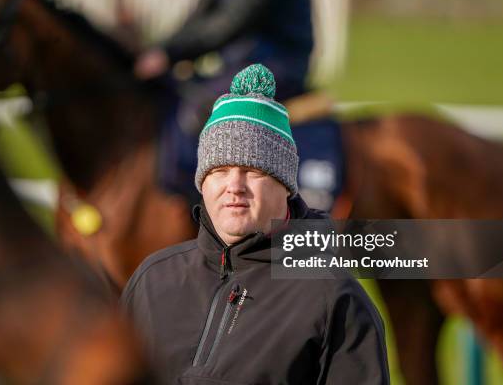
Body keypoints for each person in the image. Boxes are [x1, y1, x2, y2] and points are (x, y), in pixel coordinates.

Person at [122, 64, 389, 384]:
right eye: (219, 171)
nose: (234, 185)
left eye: (253, 170)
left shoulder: (335, 300)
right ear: (202, 183)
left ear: (285, 184)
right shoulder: (151, 281)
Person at [134, 0, 314, 133]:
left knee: (200, 109)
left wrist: (170, 54)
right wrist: (161, 50)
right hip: (235, 65)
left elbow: (231, 22)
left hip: (277, 63)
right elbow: (199, 15)